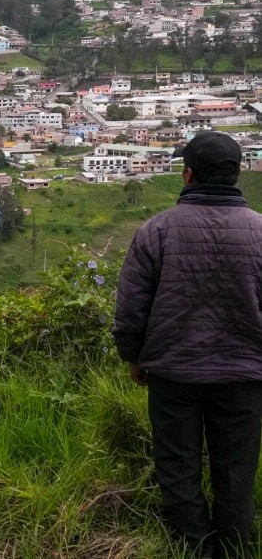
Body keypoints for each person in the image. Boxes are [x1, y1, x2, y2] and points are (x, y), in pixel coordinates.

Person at [113, 130, 262, 558]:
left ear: (187, 175)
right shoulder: (258, 232)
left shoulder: (156, 231)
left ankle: (193, 549)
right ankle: (234, 551)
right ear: (236, 175)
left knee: (178, 468)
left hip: (173, 372)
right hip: (244, 375)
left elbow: (131, 306)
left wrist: (134, 357)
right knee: (236, 472)